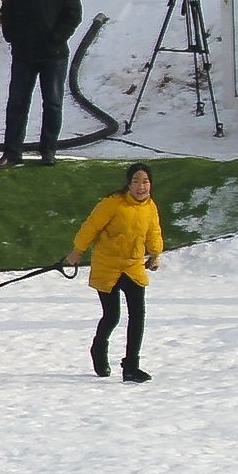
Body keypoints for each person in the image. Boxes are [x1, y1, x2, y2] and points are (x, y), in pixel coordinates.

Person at [66, 163, 163, 383]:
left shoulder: (150, 207)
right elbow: (91, 227)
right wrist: (77, 251)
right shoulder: (112, 204)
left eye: (145, 181)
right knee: (112, 316)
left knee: (138, 316)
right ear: (128, 184)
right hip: (107, 266)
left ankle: (131, 366)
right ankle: (99, 349)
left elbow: (154, 231)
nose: (141, 187)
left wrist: (155, 254)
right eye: (136, 181)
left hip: (133, 266)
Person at [0, 0, 83, 168]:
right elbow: (8, 10)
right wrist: (12, 36)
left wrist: (56, 38)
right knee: (17, 103)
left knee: (53, 102)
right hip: (24, 53)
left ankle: (48, 150)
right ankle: (12, 153)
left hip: (53, 55)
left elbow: (73, 14)